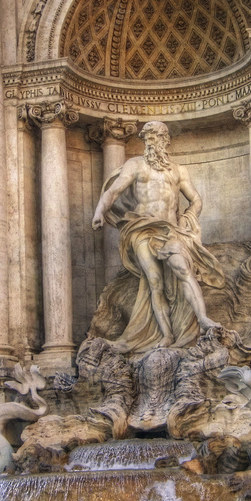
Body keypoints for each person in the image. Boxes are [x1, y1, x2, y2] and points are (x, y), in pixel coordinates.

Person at [92, 121, 225, 352]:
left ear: (165, 140)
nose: (152, 141)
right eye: (148, 138)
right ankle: (165, 335)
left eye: (156, 137)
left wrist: (189, 215)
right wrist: (99, 212)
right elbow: (113, 191)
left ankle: (203, 319)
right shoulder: (135, 165)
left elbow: (196, 199)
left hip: (170, 229)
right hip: (142, 228)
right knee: (155, 281)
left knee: (182, 269)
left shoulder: (178, 170)